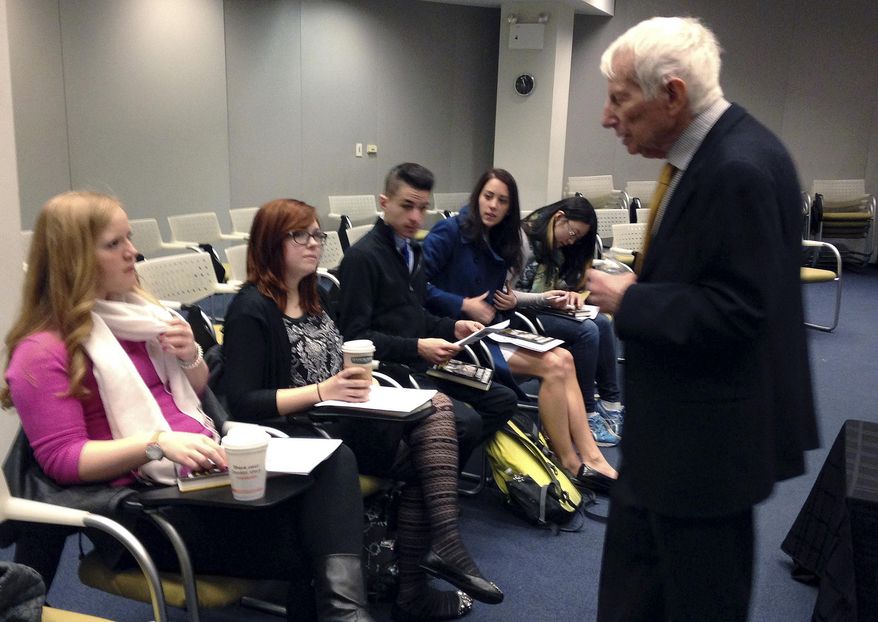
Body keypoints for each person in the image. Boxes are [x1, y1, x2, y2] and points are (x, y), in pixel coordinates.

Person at [1, 191, 373, 622]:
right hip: (145, 503)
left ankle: (344, 613)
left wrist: (190, 356)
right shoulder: (42, 350)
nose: (133, 252)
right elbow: (63, 461)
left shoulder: (139, 317)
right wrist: (155, 444)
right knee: (318, 537)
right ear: (73, 258)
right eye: (114, 244)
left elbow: (196, 399)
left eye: (130, 238)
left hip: (201, 470)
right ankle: (346, 613)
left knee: (335, 461)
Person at [587, 17, 818, 621]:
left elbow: (743, 307)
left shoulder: (738, 168)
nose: (608, 117)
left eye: (619, 99)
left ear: (672, 95)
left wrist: (630, 301)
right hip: (669, 441)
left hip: (704, 456)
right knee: (632, 599)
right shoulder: (717, 154)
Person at [219, 198, 502, 620]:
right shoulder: (250, 309)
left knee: (437, 418)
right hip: (299, 432)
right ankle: (428, 571)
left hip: (345, 417)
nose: (313, 244)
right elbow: (242, 403)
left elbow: (341, 365)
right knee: (436, 433)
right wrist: (322, 389)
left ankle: (427, 570)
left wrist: (360, 383)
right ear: (269, 243)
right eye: (300, 235)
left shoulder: (318, 295)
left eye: (317, 234)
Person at [421, 168, 617, 492]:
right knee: (554, 366)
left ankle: (593, 457)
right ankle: (569, 462)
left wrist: (508, 300)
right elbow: (417, 287)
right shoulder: (449, 231)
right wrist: (462, 304)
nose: (493, 206)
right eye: (488, 196)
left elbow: (500, 295)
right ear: (477, 197)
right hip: (453, 336)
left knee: (565, 359)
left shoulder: (501, 239)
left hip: (491, 331)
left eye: (502, 201)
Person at [336, 162, 518, 473]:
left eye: (422, 208)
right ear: (384, 203)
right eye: (407, 206)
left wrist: (453, 326)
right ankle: (418, 486)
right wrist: (418, 347)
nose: (416, 218)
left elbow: (415, 314)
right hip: (390, 372)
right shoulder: (363, 258)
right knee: (467, 422)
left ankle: (429, 468)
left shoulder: (413, 252)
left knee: (503, 398)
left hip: (422, 364)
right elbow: (355, 337)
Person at [517, 195, 625, 440]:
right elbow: (508, 295)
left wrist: (572, 296)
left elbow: (558, 285)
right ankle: (585, 412)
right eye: (573, 233)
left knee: (601, 322)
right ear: (559, 218)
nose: (572, 241)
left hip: (543, 309)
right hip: (519, 316)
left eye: (578, 238)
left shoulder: (554, 247)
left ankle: (611, 404)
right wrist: (547, 298)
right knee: (587, 330)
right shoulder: (522, 240)